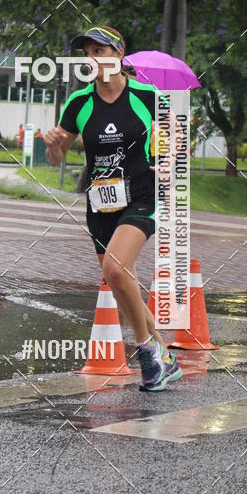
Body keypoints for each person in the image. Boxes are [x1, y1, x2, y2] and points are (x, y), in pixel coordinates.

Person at [43, 25, 182, 393]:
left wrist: (167, 157)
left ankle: (147, 354)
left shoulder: (146, 96)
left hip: (143, 194)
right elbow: (58, 154)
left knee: (115, 269)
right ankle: (165, 357)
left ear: (119, 55)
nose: (92, 59)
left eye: (100, 51)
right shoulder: (78, 103)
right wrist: (54, 145)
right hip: (101, 202)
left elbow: (176, 136)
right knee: (123, 282)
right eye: (87, 53)